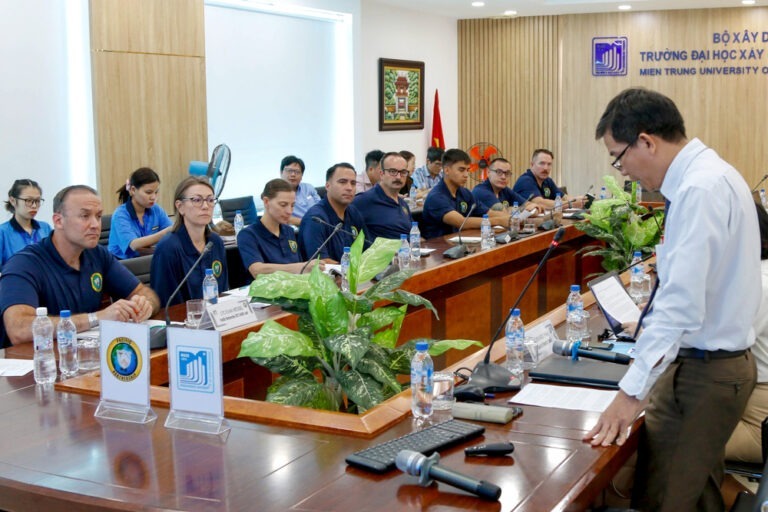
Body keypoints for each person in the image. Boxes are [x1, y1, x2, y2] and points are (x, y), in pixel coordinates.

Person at [584, 88, 759, 511]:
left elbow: (681, 303)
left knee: (666, 501)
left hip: (704, 372)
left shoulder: (700, 188)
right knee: (696, 496)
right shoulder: (708, 177)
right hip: (709, 367)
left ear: (646, 141)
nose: (622, 170)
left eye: (618, 155)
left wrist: (629, 395)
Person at [0, 185, 159, 346]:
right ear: (58, 221)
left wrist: (144, 304)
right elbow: (18, 329)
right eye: (85, 216)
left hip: (85, 357)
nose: (96, 225)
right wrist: (97, 318)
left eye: (98, 216)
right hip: (36, 364)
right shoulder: (23, 264)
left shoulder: (97, 254)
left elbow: (144, 292)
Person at [725, 202, 768, 463]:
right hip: (750, 396)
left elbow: (724, 341)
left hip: (759, 419)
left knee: (663, 440)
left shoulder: (758, 284)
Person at [150, 177, 229, 306]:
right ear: (180, 207)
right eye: (197, 200)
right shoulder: (168, 248)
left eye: (210, 200)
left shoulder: (216, 242)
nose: (205, 206)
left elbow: (223, 290)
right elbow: (166, 302)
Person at [238, 179, 323, 277]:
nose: (289, 211)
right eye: (283, 205)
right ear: (266, 202)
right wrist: (301, 267)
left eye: (292, 205)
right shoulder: (248, 234)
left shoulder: (289, 231)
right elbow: (257, 270)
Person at [421, 148, 509, 240]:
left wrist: (511, 219)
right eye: (461, 170)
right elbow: (462, 223)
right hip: (438, 247)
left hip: (461, 242)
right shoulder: (436, 197)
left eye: (467, 170)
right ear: (447, 170)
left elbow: (488, 212)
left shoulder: (464, 193)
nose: (466, 175)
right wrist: (499, 221)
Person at [299, 163, 368, 263]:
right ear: (327, 186)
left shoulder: (353, 212)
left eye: (353, 183)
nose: (349, 188)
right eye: (342, 182)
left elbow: (367, 249)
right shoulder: (316, 219)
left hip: (354, 275)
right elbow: (321, 262)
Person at [108, 167, 172, 259]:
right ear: (133, 190)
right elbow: (134, 245)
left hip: (147, 259)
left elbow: (173, 235)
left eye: (156, 192)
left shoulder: (156, 210)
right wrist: (166, 232)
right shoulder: (120, 215)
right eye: (148, 192)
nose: (153, 197)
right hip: (122, 263)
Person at [352, 152, 413, 240]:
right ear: (381, 174)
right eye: (393, 171)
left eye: (403, 172)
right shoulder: (364, 200)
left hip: (408, 251)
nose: (398, 177)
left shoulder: (403, 204)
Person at [0, 179, 52, 266]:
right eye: (28, 200)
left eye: (38, 201)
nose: (34, 205)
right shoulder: (3, 232)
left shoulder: (45, 228)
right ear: (13, 201)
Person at [512, 149, 585, 209]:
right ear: (532, 165)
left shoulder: (547, 181)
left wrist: (578, 200)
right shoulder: (525, 181)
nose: (546, 168)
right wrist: (571, 204)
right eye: (542, 163)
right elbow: (540, 203)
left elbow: (564, 197)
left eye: (549, 164)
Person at [472, 158, 539, 213]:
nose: (503, 177)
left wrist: (511, 209)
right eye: (499, 172)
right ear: (488, 173)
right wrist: (523, 209)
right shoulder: (481, 191)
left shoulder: (505, 190)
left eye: (507, 173)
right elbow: (502, 213)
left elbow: (533, 209)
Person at [280, 155, 320, 227]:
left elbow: (321, 208)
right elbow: (283, 217)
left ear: (302, 176)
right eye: (289, 171)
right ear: (281, 172)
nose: (293, 175)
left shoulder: (309, 188)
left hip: (318, 226)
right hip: (297, 231)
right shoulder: (276, 193)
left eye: (297, 172)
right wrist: (309, 223)